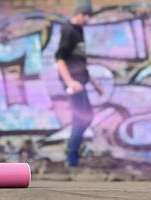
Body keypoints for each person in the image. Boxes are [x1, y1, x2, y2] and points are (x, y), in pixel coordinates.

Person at [55, 4, 103, 167]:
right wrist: (70, 82)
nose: (88, 19)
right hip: (74, 84)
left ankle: (72, 154)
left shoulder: (79, 31)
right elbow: (60, 60)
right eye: (86, 15)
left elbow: (80, 63)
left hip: (81, 81)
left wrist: (95, 84)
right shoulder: (69, 31)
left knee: (87, 116)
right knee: (81, 119)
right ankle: (71, 158)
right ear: (78, 14)